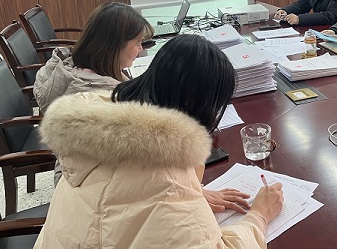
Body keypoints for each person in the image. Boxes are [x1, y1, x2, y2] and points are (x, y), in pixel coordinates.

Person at [34, 34, 284, 249]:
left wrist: (193, 194)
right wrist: (259, 216)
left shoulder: (101, 128)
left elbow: (124, 199)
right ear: (196, 103)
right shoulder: (166, 182)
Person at [34, 1, 154, 113]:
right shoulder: (102, 97)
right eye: (138, 43)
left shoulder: (77, 67)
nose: (141, 49)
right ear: (115, 46)